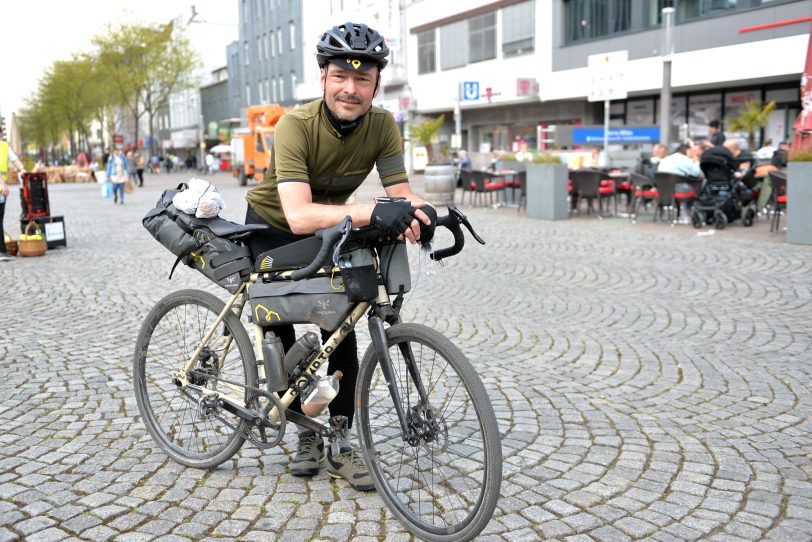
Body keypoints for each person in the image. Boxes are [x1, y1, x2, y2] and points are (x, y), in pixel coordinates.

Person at [244, 22, 432, 491]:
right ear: (323, 77)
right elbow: (299, 213)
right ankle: (304, 433)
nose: (351, 89)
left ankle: (340, 439)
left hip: (336, 226)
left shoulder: (383, 125)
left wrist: (427, 214)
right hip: (274, 227)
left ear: (375, 83)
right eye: (340, 77)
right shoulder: (295, 125)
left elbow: (401, 195)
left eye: (363, 78)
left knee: (340, 323)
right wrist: (372, 212)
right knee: (279, 327)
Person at [0, 135, 26, 254]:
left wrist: (22, 169)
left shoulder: (4, 146)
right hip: (2, 187)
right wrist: (3, 185)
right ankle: (1, 251)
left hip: (2, 191)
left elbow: (15, 159)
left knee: (0, 218)